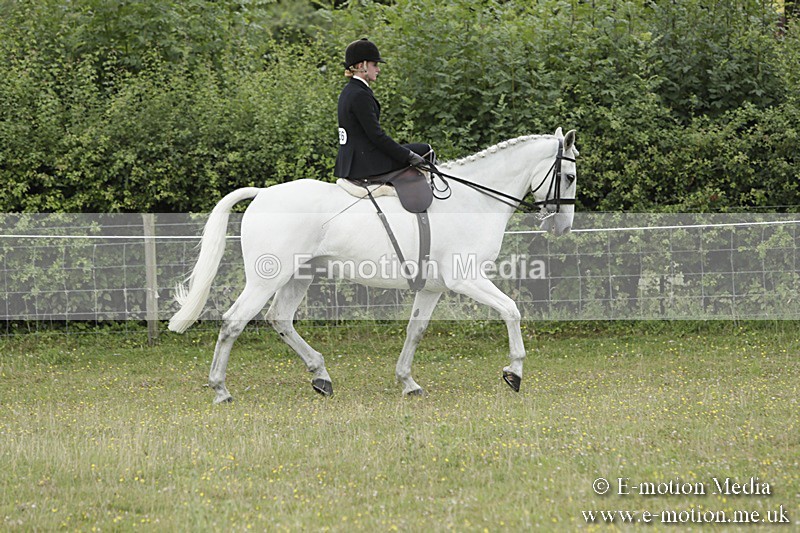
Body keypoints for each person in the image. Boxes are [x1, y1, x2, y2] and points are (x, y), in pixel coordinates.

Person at [334, 38, 433, 181]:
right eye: (375, 65)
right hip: (365, 162)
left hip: (350, 160)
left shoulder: (349, 90)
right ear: (362, 66)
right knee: (426, 150)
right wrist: (407, 155)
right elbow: (376, 136)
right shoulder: (360, 95)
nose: (378, 69)